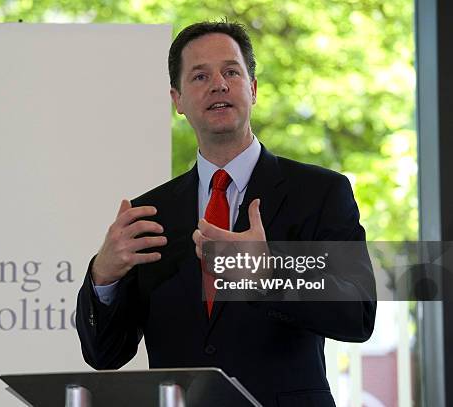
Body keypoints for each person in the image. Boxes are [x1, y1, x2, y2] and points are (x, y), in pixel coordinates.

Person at [76, 21, 376, 407]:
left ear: (252, 89)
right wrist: (104, 275)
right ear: (178, 100)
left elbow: (358, 314)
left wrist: (267, 275)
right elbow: (105, 355)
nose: (218, 84)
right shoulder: (150, 215)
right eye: (200, 76)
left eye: (231, 72)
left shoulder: (319, 193)